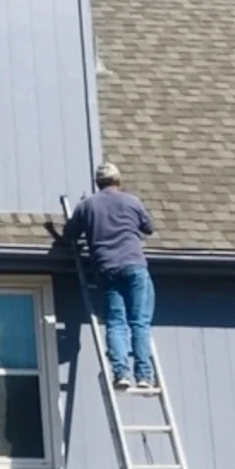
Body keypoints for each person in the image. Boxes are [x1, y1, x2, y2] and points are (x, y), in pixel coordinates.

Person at [64, 161, 160, 391]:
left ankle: (121, 374)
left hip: (106, 268)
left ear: (98, 183)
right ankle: (144, 375)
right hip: (134, 264)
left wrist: (83, 215)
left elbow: (70, 233)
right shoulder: (131, 201)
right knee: (139, 322)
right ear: (118, 180)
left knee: (116, 322)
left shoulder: (87, 205)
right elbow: (149, 227)